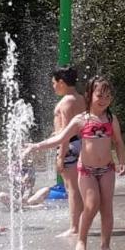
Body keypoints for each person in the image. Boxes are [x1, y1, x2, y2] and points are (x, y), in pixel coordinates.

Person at [24, 76, 125, 250]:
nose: (104, 100)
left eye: (108, 96)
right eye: (100, 95)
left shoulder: (111, 119)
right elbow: (60, 138)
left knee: (107, 208)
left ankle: (105, 246)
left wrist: (122, 161)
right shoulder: (81, 120)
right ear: (89, 95)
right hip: (87, 171)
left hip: (107, 170)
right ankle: (81, 241)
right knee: (91, 204)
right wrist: (36, 146)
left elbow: (118, 142)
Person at [49, 65, 87, 237]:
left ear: (62, 82)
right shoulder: (81, 98)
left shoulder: (66, 102)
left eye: (54, 83)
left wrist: (60, 155)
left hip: (70, 146)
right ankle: (79, 224)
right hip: (81, 143)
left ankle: (74, 227)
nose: (53, 86)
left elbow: (65, 133)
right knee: (78, 187)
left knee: (72, 189)